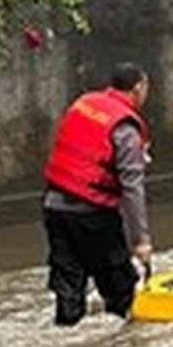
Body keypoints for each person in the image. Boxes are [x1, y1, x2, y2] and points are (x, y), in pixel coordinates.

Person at [42, 63, 153, 326]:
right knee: (119, 286)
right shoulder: (125, 128)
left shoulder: (84, 103)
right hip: (92, 213)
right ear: (138, 88)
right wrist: (141, 241)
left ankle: (67, 338)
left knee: (68, 282)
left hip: (54, 205)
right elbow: (132, 188)